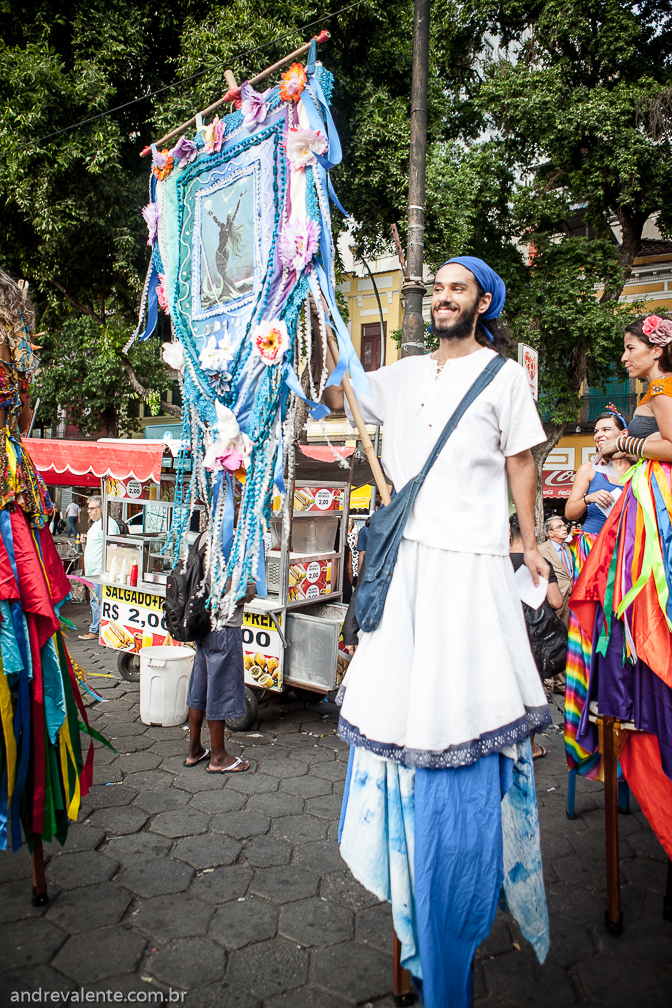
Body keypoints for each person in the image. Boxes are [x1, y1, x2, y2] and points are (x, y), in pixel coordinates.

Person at [324, 256, 551, 1008]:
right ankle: (407, 901)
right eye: (439, 288)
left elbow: (523, 461)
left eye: (458, 288)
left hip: (472, 570)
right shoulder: (407, 373)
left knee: (461, 723)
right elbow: (341, 391)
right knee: (398, 726)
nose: (443, 297)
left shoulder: (505, 374)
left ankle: (452, 919)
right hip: (407, 571)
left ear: (483, 301)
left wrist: (531, 535)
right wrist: (314, 306)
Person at [0, 268, 98, 852]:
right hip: (18, 511)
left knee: (31, 667)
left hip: (17, 517)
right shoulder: (22, 354)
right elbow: (26, 414)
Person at [571, 314, 672, 863]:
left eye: (631, 347)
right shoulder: (653, 387)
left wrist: (631, 443)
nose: (626, 357)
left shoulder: (659, 387)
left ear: (654, 351)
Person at [563, 407, 630, 777]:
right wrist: (590, 499)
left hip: (626, 565)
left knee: (620, 639)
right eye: (597, 430)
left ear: (624, 433)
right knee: (589, 636)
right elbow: (571, 510)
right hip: (592, 560)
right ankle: (583, 717)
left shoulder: (640, 470)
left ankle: (622, 708)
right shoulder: (590, 470)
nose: (599, 434)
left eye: (607, 429)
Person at [184, 538, 257, 773]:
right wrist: (249, 592)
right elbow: (228, 592)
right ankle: (219, 757)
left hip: (203, 625)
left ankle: (194, 750)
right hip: (223, 627)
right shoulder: (231, 540)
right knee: (220, 690)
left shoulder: (204, 536)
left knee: (200, 688)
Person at [509, 513, 564, 758]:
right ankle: (530, 747)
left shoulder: (495, 562)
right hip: (533, 640)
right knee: (531, 689)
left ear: (510, 534)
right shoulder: (540, 563)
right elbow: (556, 600)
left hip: (502, 636)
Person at [78, 495, 119, 641]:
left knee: (97, 601)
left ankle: (95, 629)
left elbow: (114, 547)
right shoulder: (97, 524)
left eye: (92, 508)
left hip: (99, 572)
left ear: (101, 509)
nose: (88, 511)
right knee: (95, 601)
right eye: (88, 508)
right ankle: (98, 627)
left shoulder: (108, 524)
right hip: (93, 571)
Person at [538, 515, 574, 629]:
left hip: (568, 600)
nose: (564, 528)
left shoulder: (568, 548)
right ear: (550, 533)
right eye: (559, 527)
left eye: (564, 526)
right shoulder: (541, 550)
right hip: (552, 601)